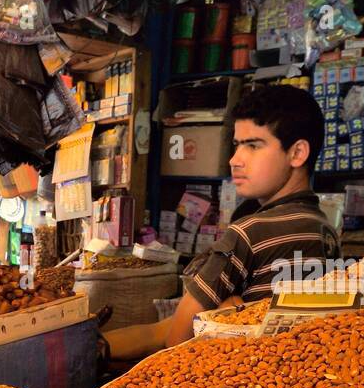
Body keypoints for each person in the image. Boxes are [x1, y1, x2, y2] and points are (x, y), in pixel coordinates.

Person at [106, 85, 341, 357]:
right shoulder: (325, 229)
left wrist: (222, 315)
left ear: (297, 153)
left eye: (253, 145)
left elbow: (174, 340)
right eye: (237, 145)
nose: (234, 160)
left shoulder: (250, 233)